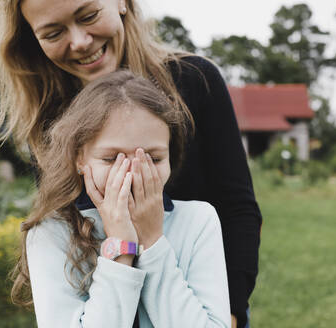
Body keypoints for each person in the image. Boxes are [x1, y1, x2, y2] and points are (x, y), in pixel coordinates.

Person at [0, 0, 262, 326]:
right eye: (53, 33)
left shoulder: (193, 80)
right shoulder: (49, 114)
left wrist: (229, 312)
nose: (79, 42)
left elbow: (237, 207)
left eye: (88, 16)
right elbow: (60, 216)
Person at [13, 71, 230, 327]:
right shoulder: (50, 234)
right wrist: (120, 248)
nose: (132, 173)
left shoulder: (198, 221)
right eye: (111, 158)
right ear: (79, 159)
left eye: (154, 158)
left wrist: (152, 241)